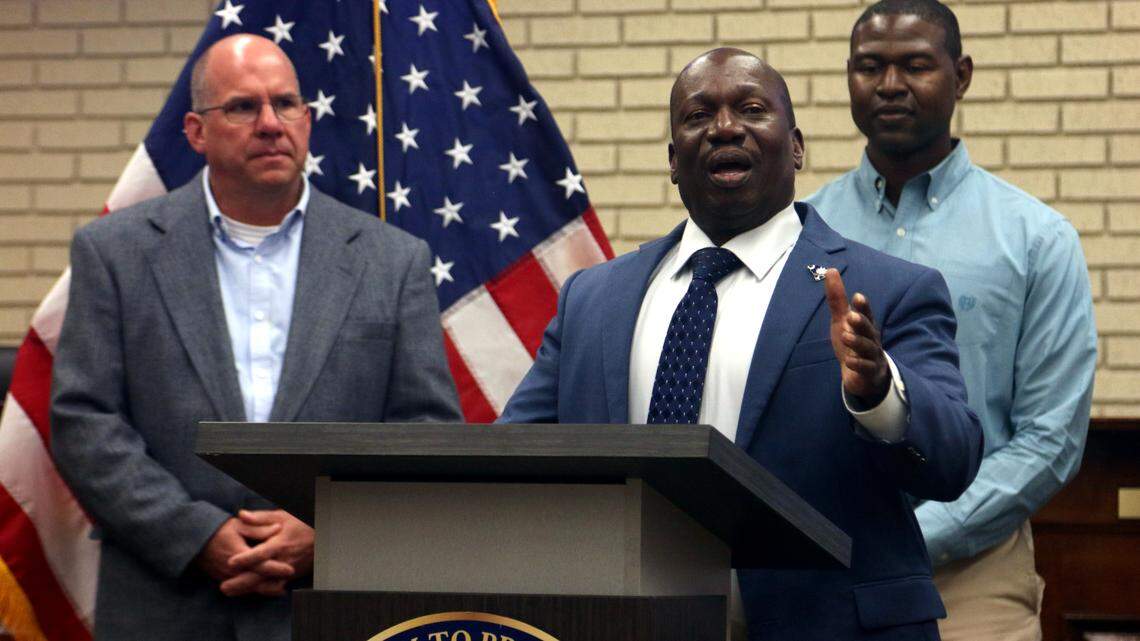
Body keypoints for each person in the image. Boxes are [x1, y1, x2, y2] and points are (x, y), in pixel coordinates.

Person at [499, 47, 983, 640]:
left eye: (752, 109)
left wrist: (880, 392)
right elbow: (512, 457)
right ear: (674, 159)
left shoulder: (888, 289)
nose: (725, 127)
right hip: (623, 620)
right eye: (699, 116)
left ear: (797, 146)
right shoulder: (592, 299)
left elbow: (955, 459)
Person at [50, 34, 461, 641]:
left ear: (308, 120)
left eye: (286, 104)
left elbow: (426, 432)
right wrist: (196, 534)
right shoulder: (116, 253)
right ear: (195, 131)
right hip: (167, 602)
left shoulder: (390, 261)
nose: (271, 124)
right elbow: (85, 421)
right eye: (243, 107)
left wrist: (331, 531)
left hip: (334, 604)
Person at [806, 1, 1097, 638]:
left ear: (961, 76)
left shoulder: (1035, 238)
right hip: (819, 567)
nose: (889, 85)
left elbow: (1051, 438)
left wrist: (912, 537)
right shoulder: (800, 232)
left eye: (915, 65)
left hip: (972, 574)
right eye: (869, 67)